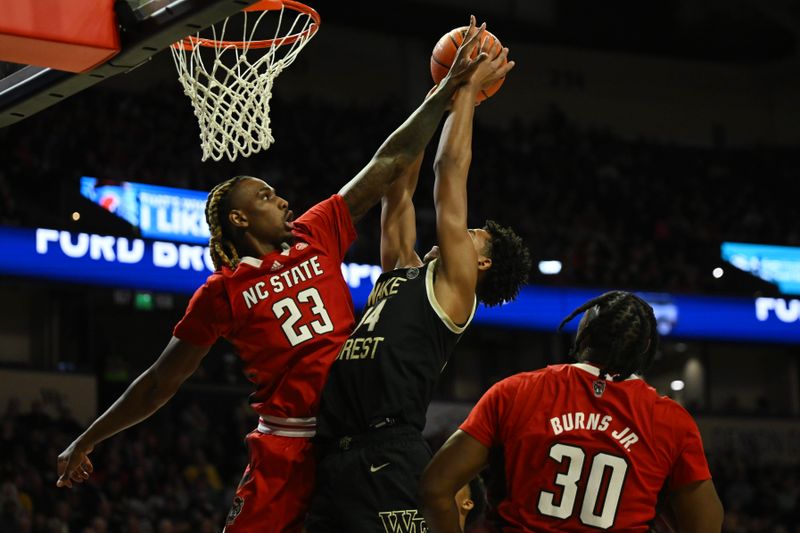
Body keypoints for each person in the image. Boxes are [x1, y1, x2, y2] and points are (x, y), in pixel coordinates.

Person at [55, 15, 495, 533]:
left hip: (358, 431)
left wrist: (445, 94)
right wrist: (90, 437)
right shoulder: (220, 293)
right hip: (289, 442)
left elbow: (389, 162)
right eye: (265, 196)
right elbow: (159, 383)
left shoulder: (316, 231)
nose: (282, 199)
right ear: (239, 220)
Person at [305, 29, 530, 533]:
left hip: (389, 454)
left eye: (475, 235)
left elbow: (450, 173)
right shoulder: (403, 269)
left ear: (483, 266)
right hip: (332, 453)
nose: (463, 232)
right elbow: (396, 191)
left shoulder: (455, 288)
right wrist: (438, 96)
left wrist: (468, 91)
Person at [420, 291, 724, 533]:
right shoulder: (671, 421)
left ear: (584, 333)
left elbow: (435, 488)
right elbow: (706, 526)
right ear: (646, 348)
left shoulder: (515, 392)